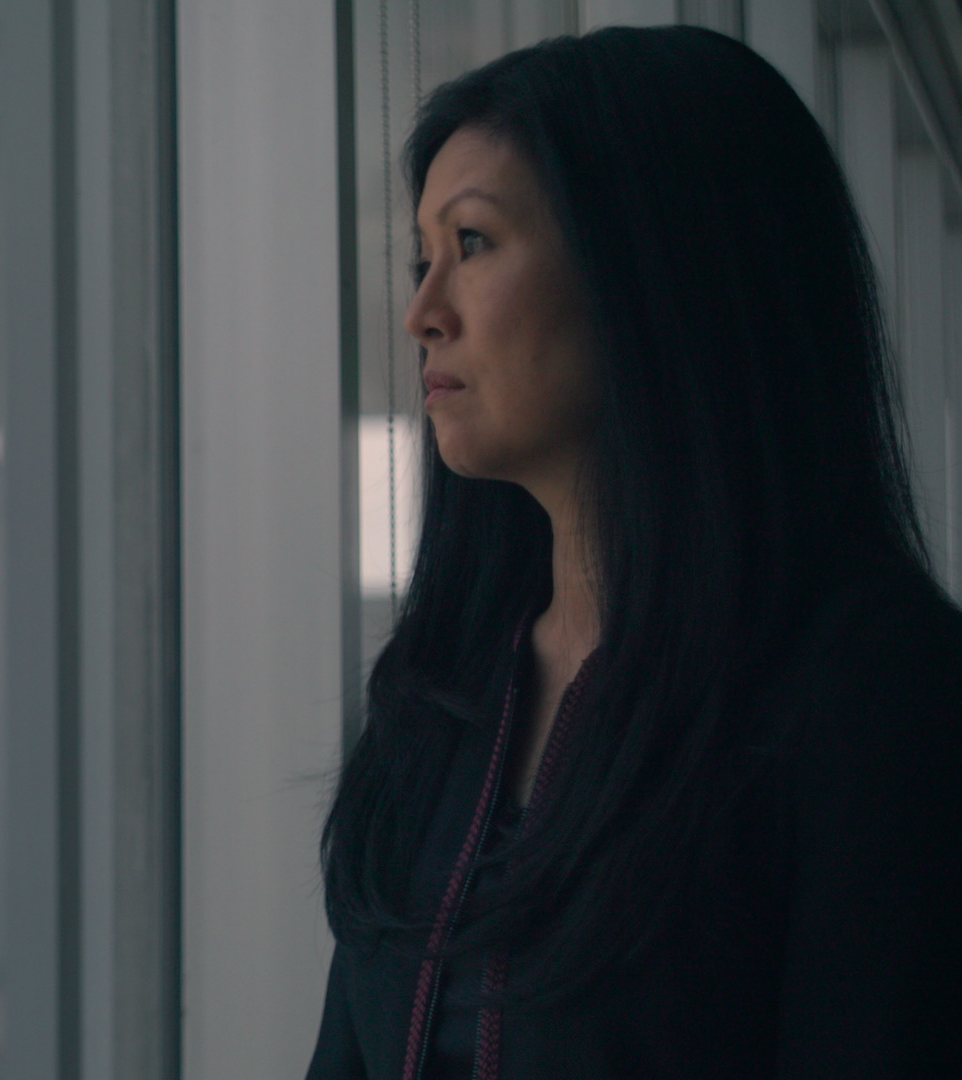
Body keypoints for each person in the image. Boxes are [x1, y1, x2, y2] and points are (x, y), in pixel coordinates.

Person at [310, 26, 962, 1079]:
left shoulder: (872, 690)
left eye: (471, 243)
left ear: (655, 267)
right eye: (420, 258)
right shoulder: (440, 690)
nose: (421, 313)